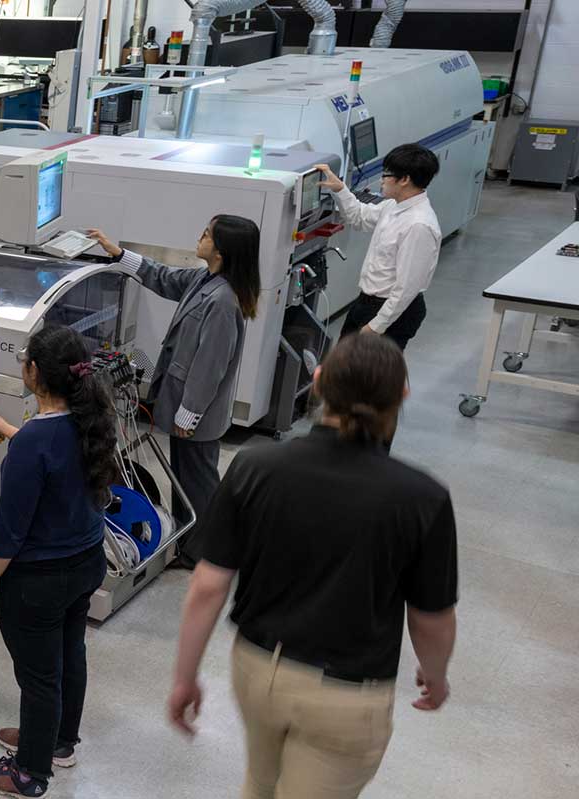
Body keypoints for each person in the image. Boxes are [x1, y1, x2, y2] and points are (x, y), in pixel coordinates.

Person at [167, 333, 458, 799]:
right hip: (346, 698)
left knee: (261, 783)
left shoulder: (254, 467)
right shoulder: (422, 498)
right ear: (401, 396)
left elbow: (207, 586)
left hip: (258, 672)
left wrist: (185, 676)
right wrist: (436, 674)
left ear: (318, 381)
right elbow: (431, 618)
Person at [0, 325, 122, 798]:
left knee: (38, 678)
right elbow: (59, 464)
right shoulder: (92, 419)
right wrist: (10, 429)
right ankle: (58, 742)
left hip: (38, 582)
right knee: (70, 655)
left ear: (34, 373)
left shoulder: (35, 442)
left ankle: (29, 773)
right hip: (85, 564)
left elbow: (9, 534)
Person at [87, 217, 261, 570]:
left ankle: (204, 552)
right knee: (186, 476)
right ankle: (191, 540)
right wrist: (119, 254)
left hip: (197, 411)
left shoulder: (224, 301)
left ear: (222, 251)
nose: (200, 237)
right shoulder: (205, 280)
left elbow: (209, 366)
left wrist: (189, 412)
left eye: (207, 234)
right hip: (186, 404)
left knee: (197, 482)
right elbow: (164, 278)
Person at [317, 144, 443, 350]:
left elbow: (406, 289)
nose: (382, 179)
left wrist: (376, 327)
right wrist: (340, 189)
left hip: (391, 312)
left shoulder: (418, 226)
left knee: (368, 377)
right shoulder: (393, 205)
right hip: (367, 303)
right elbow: (359, 217)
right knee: (345, 370)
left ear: (404, 180)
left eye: (386, 174)